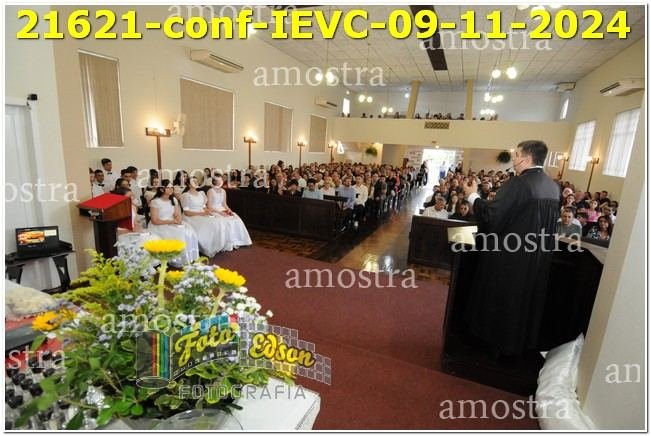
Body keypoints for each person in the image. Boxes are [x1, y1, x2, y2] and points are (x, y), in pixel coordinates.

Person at [462, 140, 560, 357]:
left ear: (527, 158)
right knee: (524, 303)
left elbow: (492, 217)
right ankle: (518, 344)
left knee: (503, 300)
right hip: (536, 259)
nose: (513, 159)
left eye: (516, 155)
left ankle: (494, 345)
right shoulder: (552, 187)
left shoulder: (519, 184)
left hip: (510, 258)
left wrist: (472, 196)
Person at [147, 179, 200, 266]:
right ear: (161, 189)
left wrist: (178, 221)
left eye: (172, 187)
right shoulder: (155, 202)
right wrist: (171, 221)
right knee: (179, 234)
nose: (171, 189)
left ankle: (189, 257)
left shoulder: (174, 200)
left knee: (189, 231)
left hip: (172, 222)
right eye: (168, 188)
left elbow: (177, 214)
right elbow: (155, 220)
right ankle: (177, 259)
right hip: (160, 225)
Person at [181, 177, 228, 257]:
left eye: (196, 181)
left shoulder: (201, 193)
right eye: (193, 182)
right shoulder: (186, 195)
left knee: (218, 221)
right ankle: (207, 246)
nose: (196, 183)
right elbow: (186, 212)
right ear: (189, 184)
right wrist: (202, 214)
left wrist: (209, 213)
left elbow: (204, 207)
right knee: (209, 224)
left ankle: (216, 245)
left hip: (202, 213)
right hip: (192, 216)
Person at [207, 175, 252, 251]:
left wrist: (229, 210)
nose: (221, 181)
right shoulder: (210, 191)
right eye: (219, 180)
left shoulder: (223, 191)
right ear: (214, 181)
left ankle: (238, 240)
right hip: (214, 210)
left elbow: (224, 204)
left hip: (222, 209)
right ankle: (227, 242)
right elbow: (209, 206)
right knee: (225, 221)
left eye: (221, 180)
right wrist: (220, 212)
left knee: (236, 218)